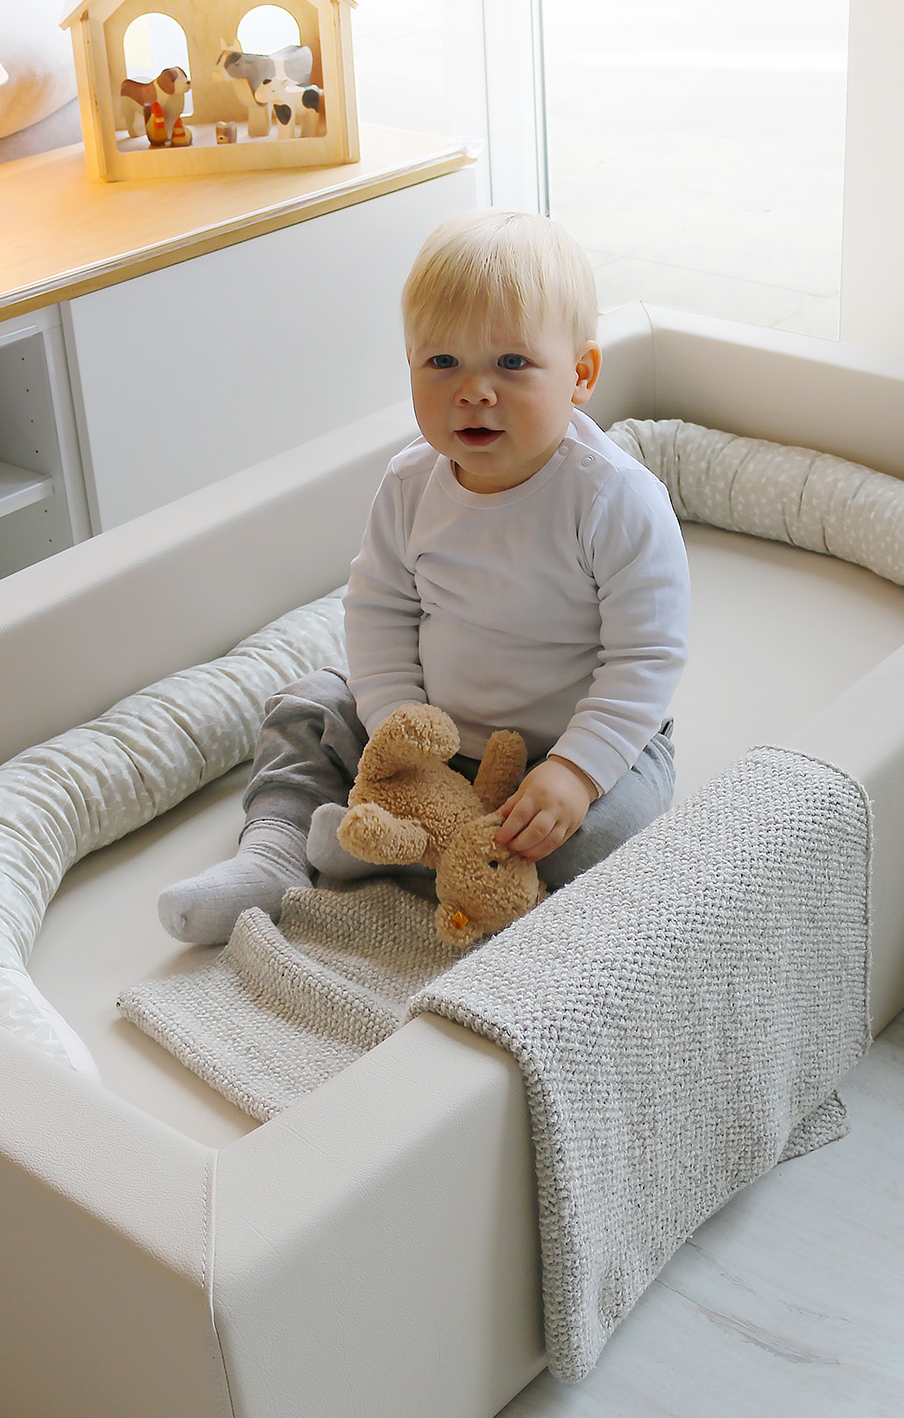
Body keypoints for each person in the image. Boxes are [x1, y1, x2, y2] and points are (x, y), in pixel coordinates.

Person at [158, 209, 690, 944]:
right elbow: (377, 612)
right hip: (432, 745)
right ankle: (275, 853)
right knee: (306, 705)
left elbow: (646, 658)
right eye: (441, 363)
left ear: (582, 376)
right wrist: (395, 732)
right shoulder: (411, 484)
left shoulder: (614, 499)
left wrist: (574, 772)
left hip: (569, 745)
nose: (473, 391)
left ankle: (395, 849)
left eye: (511, 364)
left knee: (607, 838)